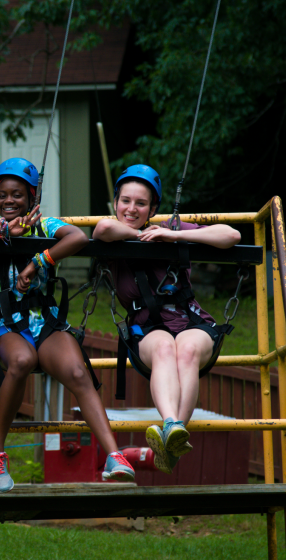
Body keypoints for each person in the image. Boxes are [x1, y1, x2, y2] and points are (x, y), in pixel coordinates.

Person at [0, 157, 136, 492]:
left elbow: (77, 238)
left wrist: (40, 259)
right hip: (10, 324)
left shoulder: (44, 227)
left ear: (31, 197)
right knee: (22, 361)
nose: (8, 201)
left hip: (46, 322)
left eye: (16, 194)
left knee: (77, 372)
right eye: (2, 195)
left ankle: (114, 455)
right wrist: (0, 229)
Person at [93, 164, 241, 473]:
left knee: (185, 350)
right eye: (125, 201)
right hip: (147, 328)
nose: (131, 208)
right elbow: (102, 231)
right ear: (116, 202)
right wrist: (142, 236)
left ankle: (173, 431)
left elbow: (232, 235)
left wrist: (171, 235)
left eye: (141, 203)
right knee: (164, 349)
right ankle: (172, 427)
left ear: (153, 208)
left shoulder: (172, 227)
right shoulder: (115, 232)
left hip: (190, 321)